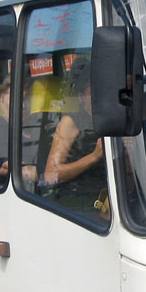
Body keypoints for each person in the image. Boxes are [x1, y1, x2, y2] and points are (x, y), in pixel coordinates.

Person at [43, 59, 106, 215]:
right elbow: (51, 174)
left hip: (109, 203)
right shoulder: (70, 123)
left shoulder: (110, 121)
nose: (99, 98)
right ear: (80, 96)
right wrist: (93, 157)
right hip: (77, 206)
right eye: (93, 93)